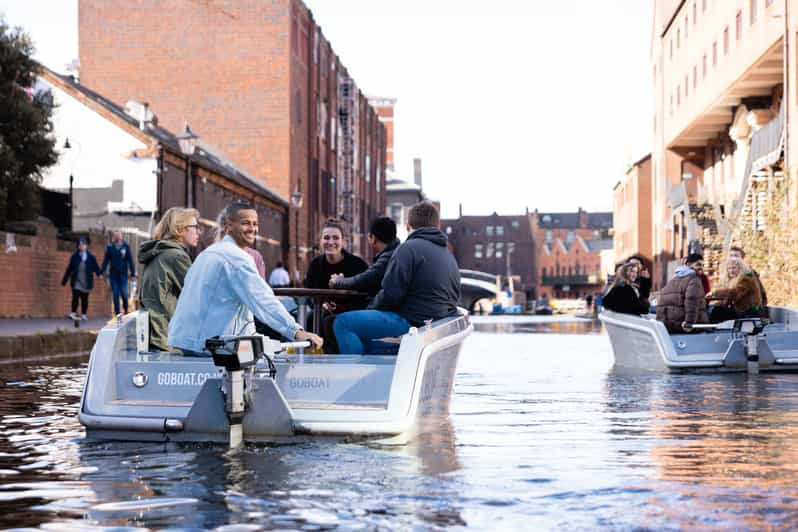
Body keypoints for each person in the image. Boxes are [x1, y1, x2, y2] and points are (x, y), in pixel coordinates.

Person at [167, 202, 322, 354]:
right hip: (208, 346)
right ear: (229, 225)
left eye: (255, 224)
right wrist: (297, 332)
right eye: (246, 223)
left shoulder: (207, 254)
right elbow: (263, 299)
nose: (252, 229)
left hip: (184, 341)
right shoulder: (237, 258)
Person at [333, 201, 461, 355]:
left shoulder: (408, 249)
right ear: (437, 226)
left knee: (343, 323)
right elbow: (454, 299)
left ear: (408, 226)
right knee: (365, 338)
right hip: (434, 328)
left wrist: (370, 310)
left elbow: (391, 294)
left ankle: (355, 374)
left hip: (411, 323)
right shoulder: (449, 257)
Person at [138, 207, 200, 351]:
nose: (198, 232)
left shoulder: (158, 253)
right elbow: (197, 295)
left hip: (154, 333)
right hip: (166, 336)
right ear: (180, 230)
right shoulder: (176, 256)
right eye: (195, 227)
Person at [305, 218, 369, 352]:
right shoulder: (315, 265)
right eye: (326, 238)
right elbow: (308, 293)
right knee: (310, 318)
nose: (331, 242)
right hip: (321, 314)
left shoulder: (358, 265)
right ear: (320, 241)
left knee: (332, 322)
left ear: (343, 241)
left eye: (335, 238)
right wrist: (319, 304)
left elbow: (365, 297)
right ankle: (314, 355)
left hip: (351, 314)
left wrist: (339, 306)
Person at [329, 216, 400, 298]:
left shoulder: (387, 258)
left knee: (345, 312)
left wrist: (337, 281)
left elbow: (362, 280)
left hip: (387, 309)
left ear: (373, 238)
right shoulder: (395, 252)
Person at [655, 253, 708, 334]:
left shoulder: (673, 279)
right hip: (690, 329)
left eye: (703, 265)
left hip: (673, 327)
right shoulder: (694, 279)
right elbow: (691, 301)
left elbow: (661, 303)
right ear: (688, 264)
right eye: (698, 264)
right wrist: (689, 323)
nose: (701, 268)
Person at [706, 256, 763, 323]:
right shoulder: (734, 279)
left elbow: (734, 293)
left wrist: (714, 293)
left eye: (734, 268)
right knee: (718, 310)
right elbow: (729, 299)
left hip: (748, 313)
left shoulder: (747, 279)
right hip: (740, 311)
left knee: (718, 312)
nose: (731, 271)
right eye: (729, 268)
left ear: (740, 268)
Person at [61, 238, 102, 320]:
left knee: (84, 298)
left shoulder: (91, 257)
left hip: (86, 281)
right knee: (75, 296)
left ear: (86, 246)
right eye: (80, 245)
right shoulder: (74, 256)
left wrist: (99, 274)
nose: (81, 246)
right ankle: (73, 313)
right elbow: (69, 268)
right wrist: (64, 280)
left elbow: (96, 267)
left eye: (83, 245)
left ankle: (83, 314)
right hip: (77, 280)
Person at [101, 230, 137, 316]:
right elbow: (106, 261)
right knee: (115, 294)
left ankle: (125, 309)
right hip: (113, 275)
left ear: (121, 236)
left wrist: (132, 273)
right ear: (114, 237)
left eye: (119, 235)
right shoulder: (110, 247)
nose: (117, 237)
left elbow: (130, 260)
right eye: (116, 235)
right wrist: (101, 272)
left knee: (124, 293)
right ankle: (118, 314)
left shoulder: (126, 246)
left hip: (123, 275)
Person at [729, 245, 768, 316]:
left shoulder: (749, 274)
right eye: (731, 256)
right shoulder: (730, 274)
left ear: (742, 259)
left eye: (736, 256)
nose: (733, 259)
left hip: (749, 312)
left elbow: (735, 293)